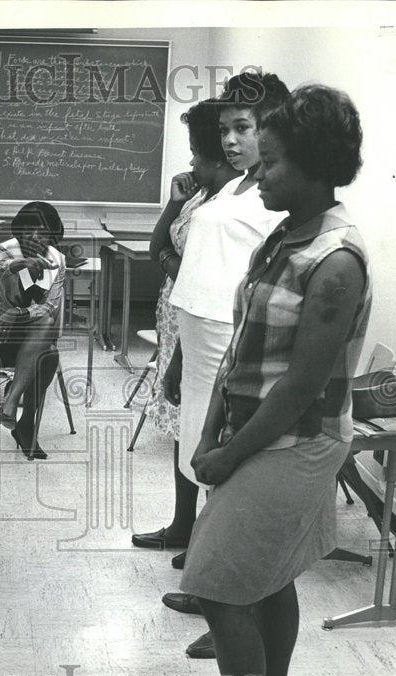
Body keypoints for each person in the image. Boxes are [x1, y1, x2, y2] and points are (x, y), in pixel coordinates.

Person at [179, 84, 370, 676]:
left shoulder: (335, 261)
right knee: (268, 578)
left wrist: (229, 455)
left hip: (297, 441)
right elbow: (239, 352)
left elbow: (298, 389)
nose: (255, 174)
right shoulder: (285, 236)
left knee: (217, 585)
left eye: (271, 164)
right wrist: (209, 435)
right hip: (255, 428)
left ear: (317, 168)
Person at [159, 71, 290, 661]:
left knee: (229, 478)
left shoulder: (274, 199)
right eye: (226, 130)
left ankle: (231, 605)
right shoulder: (236, 186)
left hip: (231, 346)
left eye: (243, 128)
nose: (231, 141)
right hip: (199, 337)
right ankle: (213, 585)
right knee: (202, 464)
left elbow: (264, 291)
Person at [130, 99, 238, 551]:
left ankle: (203, 538)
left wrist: (170, 261)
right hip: (177, 317)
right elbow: (159, 244)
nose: (190, 161)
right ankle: (182, 524)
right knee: (183, 424)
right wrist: (173, 205)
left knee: (201, 426)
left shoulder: (229, 206)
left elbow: (192, 268)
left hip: (201, 319)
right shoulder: (199, 197)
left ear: (214, 155)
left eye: (195, 152)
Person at [0, 201, 66, 459]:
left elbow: (50, 307)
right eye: (28, 230)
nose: (34, 237)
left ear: (52, 235)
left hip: (26, 337)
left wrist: (16, 314)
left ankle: (19, 415)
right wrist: (20, 265)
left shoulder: (58, 261)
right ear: (19, 231)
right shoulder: (4, 250)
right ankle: (23, 425)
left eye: (42, 232)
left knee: (48, 349)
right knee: (46, 354)